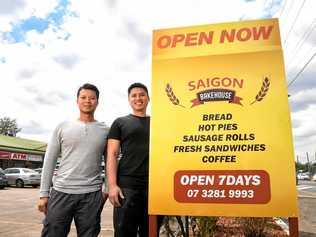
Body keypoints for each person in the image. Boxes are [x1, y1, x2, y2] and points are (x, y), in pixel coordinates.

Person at [37, 83, 108, 237]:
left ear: (97, 101)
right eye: (83, 97)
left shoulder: (105, 130)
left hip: (91, 195)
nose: (87, 101)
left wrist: (106, 189)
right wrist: (44, 194)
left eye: (92, 98)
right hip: (61, 192)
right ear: (77, 101)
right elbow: (49, 160)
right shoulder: (62, 127)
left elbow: (111, 162)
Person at [107, 82, 159, 237]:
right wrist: (112, 185)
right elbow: (112, 154)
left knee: (150, 232)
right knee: (124, 232)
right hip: (127, 187)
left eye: (142, 94)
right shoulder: (120, 122)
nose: (138, 98)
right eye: (134, 95)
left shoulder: (159, 123)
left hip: (155, 187)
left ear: (148, 98)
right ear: (129, 100)